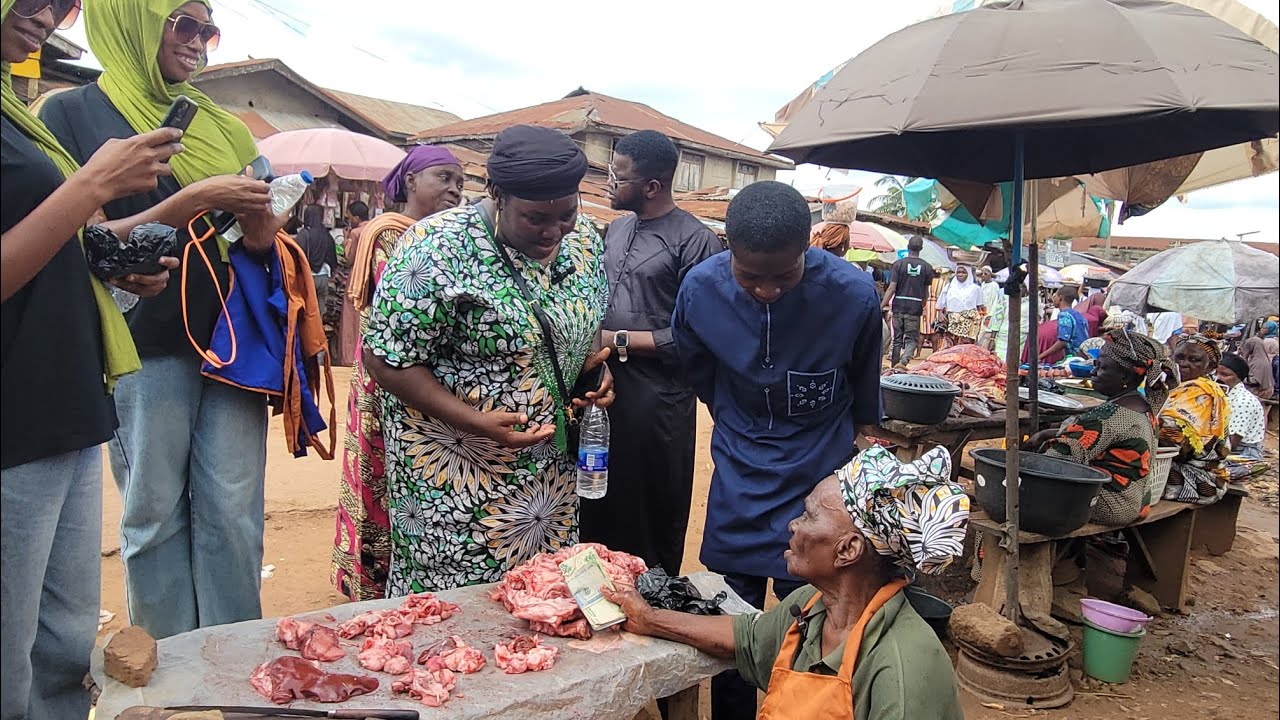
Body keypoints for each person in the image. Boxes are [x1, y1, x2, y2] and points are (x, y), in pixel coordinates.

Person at [40, 0, 285, 640]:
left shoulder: (226, 130)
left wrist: (262, 223)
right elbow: (70, 240)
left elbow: (256, 246)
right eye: (183, 23)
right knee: (153, 513)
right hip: (140, 344)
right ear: (134, 21)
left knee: (233, 510)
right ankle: (172, 670)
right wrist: (193, 199)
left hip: (229, 342)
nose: (200, 40)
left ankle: (233, 664)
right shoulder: (68, 116)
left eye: (209, 28)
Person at [0, 1, 187, 715]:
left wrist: (106, 261)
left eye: (61, 4)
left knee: (60, 647)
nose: (45, 15)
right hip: (14, 420)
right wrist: (88, 186)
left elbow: (52, 242)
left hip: (68, 402)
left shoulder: (16, 115)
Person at [363, 125, 613, 595]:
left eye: (566, 214)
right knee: (454, 616)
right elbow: (386, 360)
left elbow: (582, 323)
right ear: (496, 194)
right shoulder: (436, 247)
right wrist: (474, 422)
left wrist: (592, 369)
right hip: (455, 474)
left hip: (548, 474)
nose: (552, 232)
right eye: (536, 218)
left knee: (541, 599)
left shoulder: (583, 244)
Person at [671, 180, 882, 720]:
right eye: (751, 277)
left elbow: (864, 384)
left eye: (783, 276)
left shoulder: (853, 294)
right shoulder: (700, 288)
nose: (767, 290)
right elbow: (697, 366)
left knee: (814, 609)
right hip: (740, 467)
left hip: (819, 468)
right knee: (732, 607)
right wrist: (736, 419)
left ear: (808, 249)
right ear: (728, 251)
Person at [602, 445, 968, 720]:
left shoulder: (902, 672)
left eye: (809, 515)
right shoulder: (814, 605)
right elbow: (745, 636)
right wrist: (649, 618)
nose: (794, 525)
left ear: (848, 550)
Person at [579, 130, 722, 576]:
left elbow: (699, 335)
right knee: (599, 490)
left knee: (649, 498)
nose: (608, 182)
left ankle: (651, 597)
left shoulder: (696, 241)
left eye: (616, 176)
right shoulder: (617, 228)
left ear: (652, 186)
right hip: (603, 387)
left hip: (659, 396)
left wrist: (616, 340)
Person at [331, 145, 464, 602]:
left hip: (422, 377)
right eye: (444, 178)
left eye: (460, 184)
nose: (454, 190)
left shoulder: (440, 235)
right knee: (382, 472)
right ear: (410, 181)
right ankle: (376, 582)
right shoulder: (392, 236)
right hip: (388, 377)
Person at [1029, 330, 1175, 525]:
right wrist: (1048, 433)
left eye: (1101, 367)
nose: (1092, 372)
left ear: (1124, 376)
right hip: (1136, 501)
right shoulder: (1141, 406)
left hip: (1111, 505)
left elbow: (1055, 461)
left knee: (1013, 495)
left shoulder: (1109, 418)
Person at [1160, 335, 1232, 505]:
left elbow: (1170, 443)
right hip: (1175, 464)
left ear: (1210, 367)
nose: (1184, 364)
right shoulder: (1176, 386)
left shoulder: (1203, 394)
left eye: (1194, 360)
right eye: (1179, 357)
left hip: (1199, 478)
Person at [880, 235, 934, 367]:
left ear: (908, 247)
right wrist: (921, 306)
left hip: (898, 306)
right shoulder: (927, 267)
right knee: (911, 340)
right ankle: (904, 361)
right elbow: (926, 293)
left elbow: (892, 288)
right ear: (921, 248)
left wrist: (881, 305)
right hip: (914, 307)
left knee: (897, 339)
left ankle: (894, 367)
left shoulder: (898, 265)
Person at [1216, 353, 1269, 481]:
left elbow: (1231, 444)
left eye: (1225, 375)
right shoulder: (1223, 394)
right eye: (1216, 373)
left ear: (1238, 378)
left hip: (1242, 454)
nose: (1218, 378)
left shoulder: (1243, 401)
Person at [330, 200, 368, 365]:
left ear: (357, 218)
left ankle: (348, 357)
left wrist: (346, 240)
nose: (348, 220)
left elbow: (349, 258)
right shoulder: (373, 228)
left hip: (355, 277)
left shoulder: (356, 233)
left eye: (350, 217)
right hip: (370, 276)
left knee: (350, 318)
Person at [295, 203, 336, 314]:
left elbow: (296, 255)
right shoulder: (327, 235)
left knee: (307, 311)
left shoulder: (304, 235)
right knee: (320, 310)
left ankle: (309, 331)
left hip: (308, 277)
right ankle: (319, 330)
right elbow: (333, 258)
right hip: (323, 277)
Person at [936, 264, 985, 345]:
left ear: (968, 273)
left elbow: (980, 307)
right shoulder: (949, 287)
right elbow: (941, 303)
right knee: (950, 347)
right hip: (951, 322)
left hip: (969, 323)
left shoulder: (976, 289)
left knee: (965, 348)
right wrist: (940, 314)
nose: (960, 274)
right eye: (958, 272)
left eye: (963, 272)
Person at [1038, 286, 1088, 363]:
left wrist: (1040, 356)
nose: (1053, 299)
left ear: (1060, 298)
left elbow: (1063, 342)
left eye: (1055, 297)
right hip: (1084, 356)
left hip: (1074, 357)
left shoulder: (1064, 315)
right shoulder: (1078, 314)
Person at [1238, 336, 1274, 400]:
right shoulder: (1259, 356)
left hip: (1262, 391)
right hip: (1265, 388)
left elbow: (1254, 381)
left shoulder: (1259, 362)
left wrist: (1241, 379)